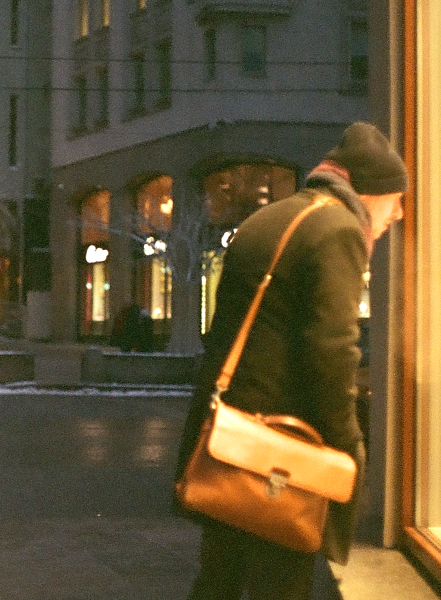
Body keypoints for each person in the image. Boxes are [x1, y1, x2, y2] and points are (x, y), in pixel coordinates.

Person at [176, 122, 407, 600]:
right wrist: (348, 444)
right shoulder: (339, 230)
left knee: (219, 579)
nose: (399, 213)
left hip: (230, 440)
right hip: (280, 457)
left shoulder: (271, 218)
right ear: (370, 192)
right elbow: (332, 351)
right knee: (280, 584)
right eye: (395, 199)